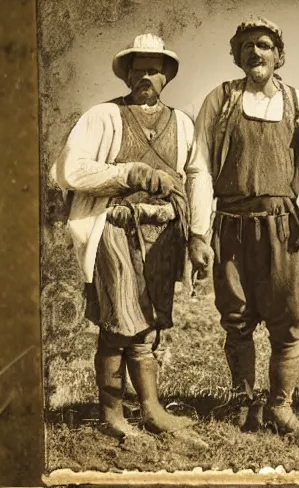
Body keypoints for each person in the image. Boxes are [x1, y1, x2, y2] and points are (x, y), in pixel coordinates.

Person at [186, 17, 299, 434]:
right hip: (231, 225)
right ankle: (245, 404)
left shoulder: (297, 102)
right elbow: (199, 167)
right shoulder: (220, 100)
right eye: (247, 46)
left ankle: (281, 407)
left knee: (289, 318)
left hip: (282, 228)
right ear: (236, 56)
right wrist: (199, 234)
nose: (255, 52)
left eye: (265, 44)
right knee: (236, 319)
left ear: (279, 55)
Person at [51, 34, 209, 442]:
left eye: (153, 69)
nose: (145, 76)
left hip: (163, 231)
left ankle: (152, 411)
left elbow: (198, 177)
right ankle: (113, 414)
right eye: (137, 68)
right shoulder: (104, 116)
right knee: (120, 322)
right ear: (126, 74)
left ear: (167, 77)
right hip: (115, 226)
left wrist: (197, 235)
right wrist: (127, 174)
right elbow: (69, 170)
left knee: (150, 324)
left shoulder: (184, 124)